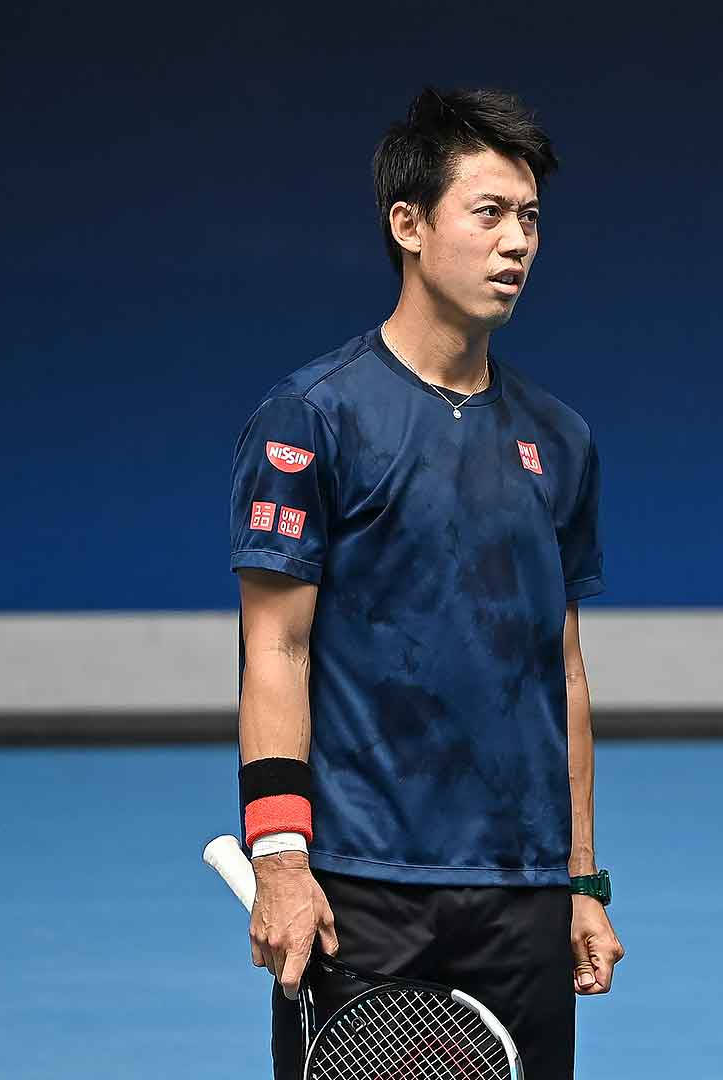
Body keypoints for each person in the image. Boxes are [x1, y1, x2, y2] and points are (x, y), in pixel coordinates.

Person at [226, 86, 622, 1079]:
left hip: (523, 889)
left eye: (530, 217)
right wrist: (280, 857)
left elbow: (562, 670)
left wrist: (582, 878)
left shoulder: (560, 438)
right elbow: (275, 648)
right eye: (487, 214)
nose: (517, 242)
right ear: (408, 224)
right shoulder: (311, 418)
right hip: (363, 885)